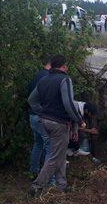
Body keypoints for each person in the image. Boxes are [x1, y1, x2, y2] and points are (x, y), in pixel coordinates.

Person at [28, 54, 84, 193]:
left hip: (44, 122)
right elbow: (68, 103)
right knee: (54, 156)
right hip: (58, 124)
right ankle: (37, 186)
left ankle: (61, 185)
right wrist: (79, 120)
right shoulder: (65, 79)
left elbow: (31, 100)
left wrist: (43, 112)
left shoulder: (44, 79)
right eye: (66, 66)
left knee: (60, 154)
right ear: (64, 66)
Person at [27, 56, 51, 178]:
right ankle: (48, 179)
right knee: (50, 147)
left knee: (38, 144)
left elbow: (30, 95)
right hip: (41, 117)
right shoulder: (47, 77)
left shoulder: (37, 75)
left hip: (32, 115)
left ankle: (34, 171)